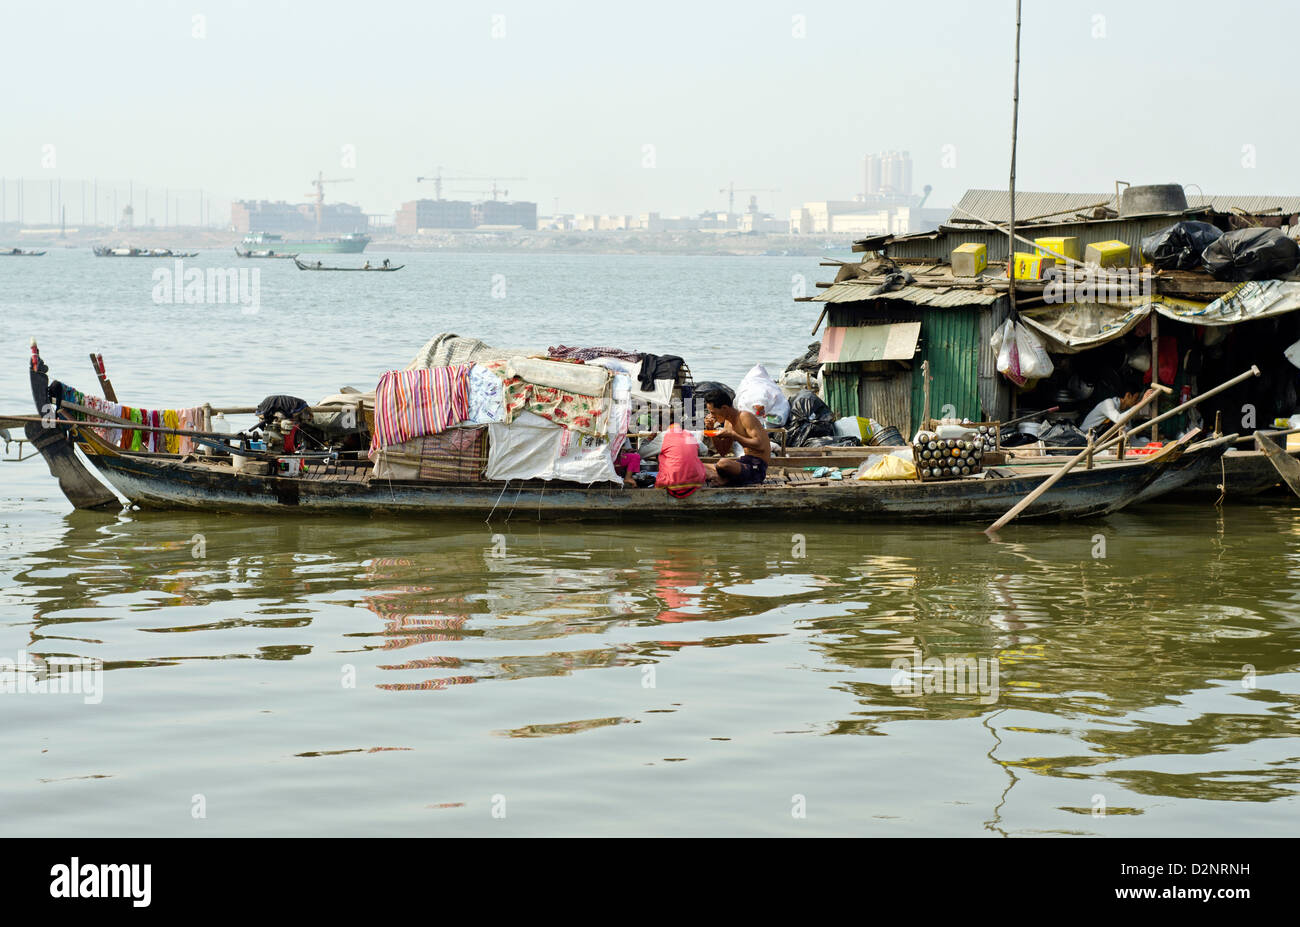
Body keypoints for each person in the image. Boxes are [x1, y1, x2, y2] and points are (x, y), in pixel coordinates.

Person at [700, 388, 771, 486]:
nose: (711, 416)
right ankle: (720, 477)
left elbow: (760, 445)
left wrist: (734, 436)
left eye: (713, 412)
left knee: (723, 464)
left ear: (724, 408)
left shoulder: (745, 417)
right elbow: (723, 451)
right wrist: (710, 429)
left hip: (757, 467)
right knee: (699, 465)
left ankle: (723, 479)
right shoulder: (728, 422)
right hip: (743, 462)